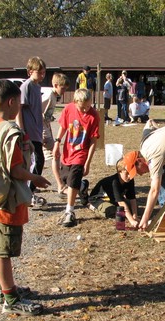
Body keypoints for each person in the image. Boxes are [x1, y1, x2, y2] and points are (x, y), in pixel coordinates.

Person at [0, 79, 51, 316]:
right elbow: (14, 169)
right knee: (3, 251)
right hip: (6, 201)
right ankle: (9, 299)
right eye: (19, 102)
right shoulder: (8, 131)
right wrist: (35, 178)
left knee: (1, 247)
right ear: (11, 102)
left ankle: (5, 288)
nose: (20, 106)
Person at [53, 88, 100, 227]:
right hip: (68, 151)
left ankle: (70, 212)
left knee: (73, 180)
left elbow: (93, 141)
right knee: (66, 180)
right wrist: (57, 143)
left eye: (88, 106)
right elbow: (62, 127)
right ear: (75, 102)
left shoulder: (93, 116)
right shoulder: (68, 109)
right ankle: (82, 186)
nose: (85, 110)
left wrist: (88, 162)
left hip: (81, 154)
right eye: (82, 107)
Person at [16, 56, 47, 209]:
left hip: (36, 132)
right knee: (37, 161)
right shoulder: (26, 86)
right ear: (30, 72)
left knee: (36, 162)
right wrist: (22, 131)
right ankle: (27, 194)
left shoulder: (37, 87)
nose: (42, 75)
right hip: (28, 133)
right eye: (39, 72)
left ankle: (28, 193)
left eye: (44, 72)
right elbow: (19, 110)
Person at [80, 155, 139, 228]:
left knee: (133, 207)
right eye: (127, 174)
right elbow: (121, 203)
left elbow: (132, 198)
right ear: (119, 172)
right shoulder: (115, 182)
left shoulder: (130, 180)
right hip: (99, 199)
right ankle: (91, 206)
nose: (129, 176)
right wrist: (132, 221)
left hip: (113, 199)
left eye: (130, 173)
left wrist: (135, 215)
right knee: (114, 211)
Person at [42, 72, 70, 199]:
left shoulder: (54, 96)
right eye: (63, 88)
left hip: (47, 129)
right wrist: (41, 134)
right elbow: (37, 112)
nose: (64, 91)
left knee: (39, 158)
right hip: (42, 131)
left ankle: (30, 183)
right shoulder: (48, 96)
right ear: (55, 85)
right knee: (55, 155)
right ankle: (60, 185)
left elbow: (46, 115)